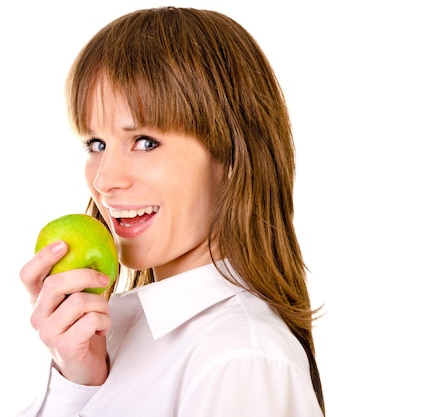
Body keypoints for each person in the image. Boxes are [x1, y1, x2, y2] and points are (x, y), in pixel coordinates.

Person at [18, 6, 325, 416]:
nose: (105, 179)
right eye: (96, 144)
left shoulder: (238, 361)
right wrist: (78, 380)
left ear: (231, 157)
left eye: (145, 141)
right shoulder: (120, 329)